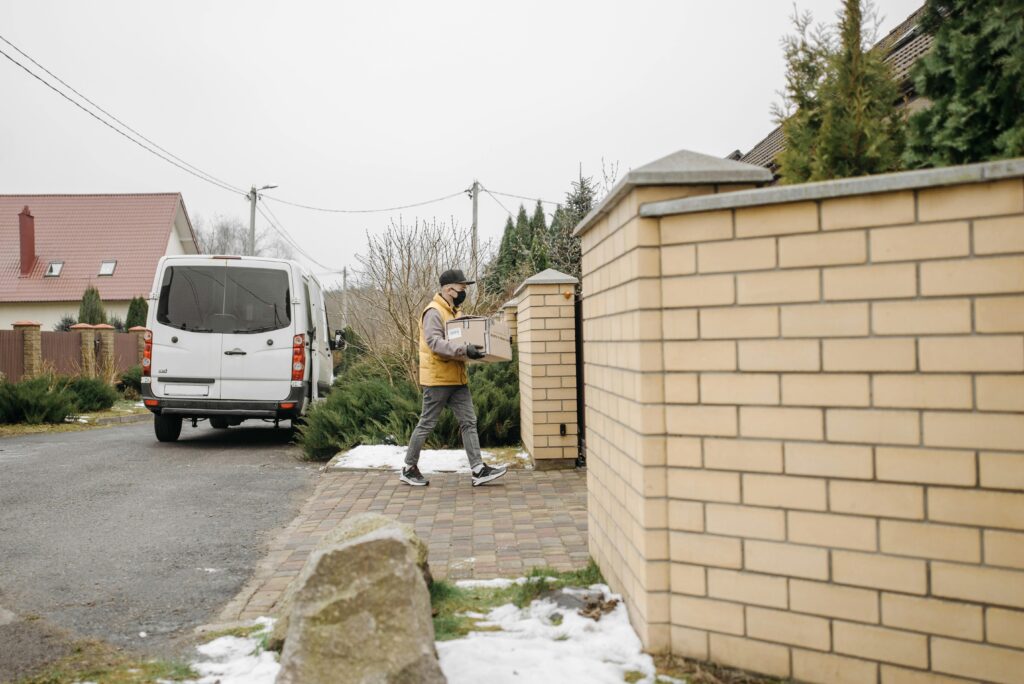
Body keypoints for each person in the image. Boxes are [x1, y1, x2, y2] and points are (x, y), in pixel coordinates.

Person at [400, 269, 508, 487]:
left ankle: (478, 470)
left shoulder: (455, 313)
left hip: (457, 378)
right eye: (462, 288)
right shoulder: (433, 312)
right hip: (438, 379)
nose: (464, 292)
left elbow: (461, 340)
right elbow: (435, 343)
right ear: (449, 289)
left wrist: (478, 349)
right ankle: (409, 468)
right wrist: (464, 350)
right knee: (427, 423)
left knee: (469, 422)